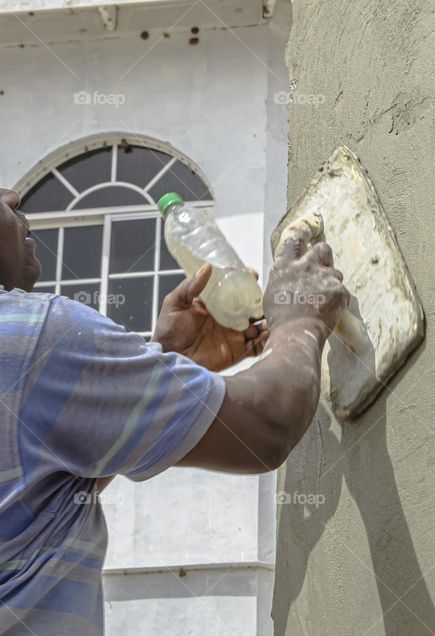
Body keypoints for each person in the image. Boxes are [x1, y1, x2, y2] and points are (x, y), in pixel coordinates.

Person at [0, 187, 347, 634]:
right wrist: (299, 320)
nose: (11, 196)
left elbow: (40, 506)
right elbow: (266, 427)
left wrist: (168, 359)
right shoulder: (32, 336)